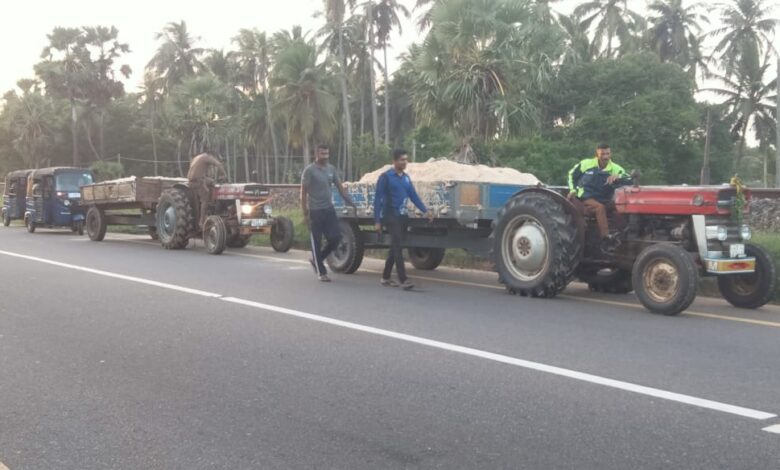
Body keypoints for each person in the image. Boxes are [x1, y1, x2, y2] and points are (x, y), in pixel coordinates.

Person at [373, 149, 434, 290]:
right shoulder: (385, 177)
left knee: (396, 246)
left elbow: (413, 196)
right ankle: (403, 279)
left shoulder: (406, 178)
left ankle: (385, 277)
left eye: (406, 159)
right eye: (402, 160)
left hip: (403, 216)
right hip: (390, 215)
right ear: (394, 161)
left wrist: (425, 211)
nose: (405, 162)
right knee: (398, 247)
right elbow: (377, 199)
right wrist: (377, 221)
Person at [301, 144, 356, 282]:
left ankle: (317, 259)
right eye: (322, 154)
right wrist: (305, 213)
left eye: (327, 154)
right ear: (316, 154)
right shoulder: (309, 171)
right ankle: (321, 272)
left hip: (329, 209)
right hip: (315, 211)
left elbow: (340, 188)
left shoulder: (331, 169)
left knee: (336, 237)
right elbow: (303, 192)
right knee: (316, 241)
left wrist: (351, 202)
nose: (325, 156)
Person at [567, 143, 630, 251]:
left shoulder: (615, 168)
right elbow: (571, 174)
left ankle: (625, 236)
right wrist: (573, 190)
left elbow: (628, 178)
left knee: (620, 206)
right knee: (599, 208)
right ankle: (606, 238)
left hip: (604, 199)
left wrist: (618, 177)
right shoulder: (586, 164)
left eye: (607, 154)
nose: (605, 157)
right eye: (602, 154)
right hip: (585, 198)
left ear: (610, 154)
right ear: (597, 154)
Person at [187, 152, 227, 231]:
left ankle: (211, 204)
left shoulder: (197, 157)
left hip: (191, 182)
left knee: (212, 182)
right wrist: (225, 175)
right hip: (199, 181)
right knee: (205, 200)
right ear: (212, 155)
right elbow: (218, 164)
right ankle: (202, 221)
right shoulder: (206, 157)